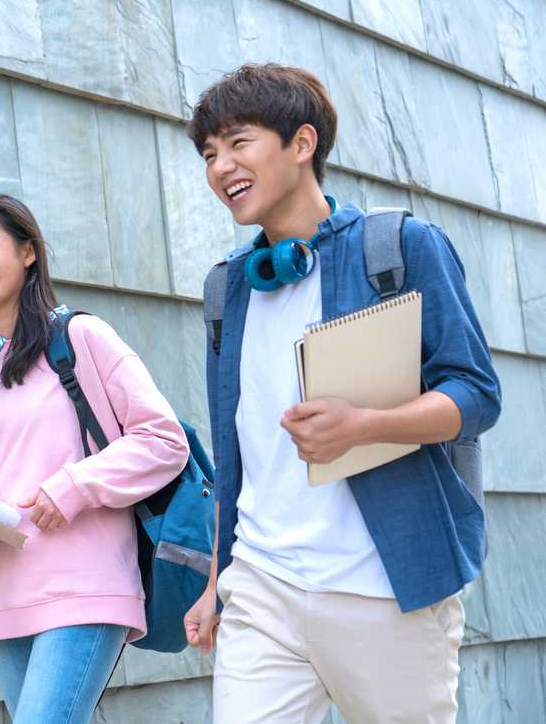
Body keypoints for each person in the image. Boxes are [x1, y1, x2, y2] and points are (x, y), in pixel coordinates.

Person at [181, 64, 501, 723]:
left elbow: (475, 393)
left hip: (383, 590)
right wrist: (218, 579)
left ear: (302, 144)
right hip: (263, 587)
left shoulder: (400, 248)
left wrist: (366, 424)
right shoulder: (228, 290)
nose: (220, 166)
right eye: (209, 153)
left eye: (239, 142)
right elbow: (238, 450)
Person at [0, 193, 188, 723]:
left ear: (27, 252)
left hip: (85, 583)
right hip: (0, 595)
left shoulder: (79, 337)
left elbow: (164, 440)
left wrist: (75, 485)